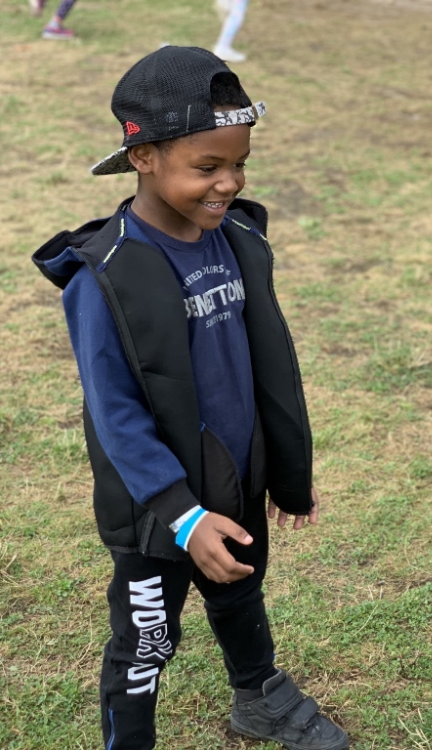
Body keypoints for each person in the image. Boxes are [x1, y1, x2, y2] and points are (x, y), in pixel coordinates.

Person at [32, 46, 349, 750]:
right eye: (207, 167)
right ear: (143, 158)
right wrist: (182, 516)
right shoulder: (105, 273)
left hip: (234, 475)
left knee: (239, 590)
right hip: (160, 511)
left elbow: (264, 362)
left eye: (239, 164)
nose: (228, 182)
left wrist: (285, 470)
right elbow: (115, 413)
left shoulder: (233, 237)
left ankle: (258, 695)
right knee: (147, 642)